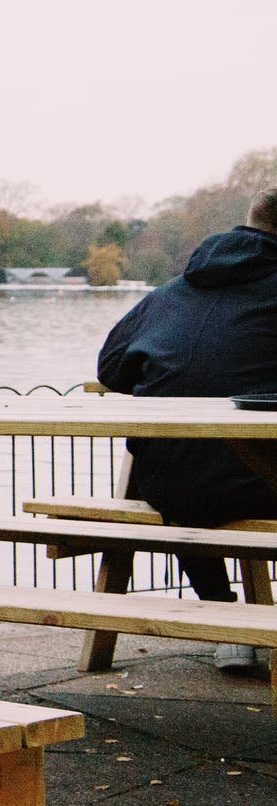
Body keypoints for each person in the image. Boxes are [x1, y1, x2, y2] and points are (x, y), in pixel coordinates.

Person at [97, 187, 277, 674]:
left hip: (169, 486)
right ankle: (231, 619)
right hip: (260, 484)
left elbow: (111, 369)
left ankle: (221, 611)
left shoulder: (172, 292)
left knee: (179, 464)